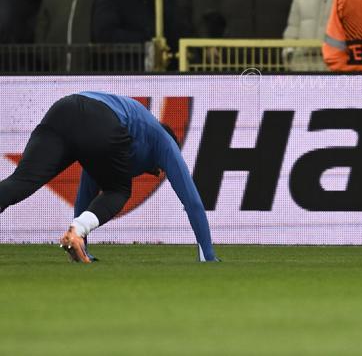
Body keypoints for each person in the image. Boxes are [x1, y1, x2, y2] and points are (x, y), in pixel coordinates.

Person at [0, 92, 218, 263]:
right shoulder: (164, 143)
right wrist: (207, 254)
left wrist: (82, 245)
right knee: (119, 191)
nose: (155, 173)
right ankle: (76, 232)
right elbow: (192, 200)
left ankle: (77, 238)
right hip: (99, 118)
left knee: (21, 182)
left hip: (62, 109)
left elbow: (86, 193)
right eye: (158, 169)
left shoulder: (125, 142)